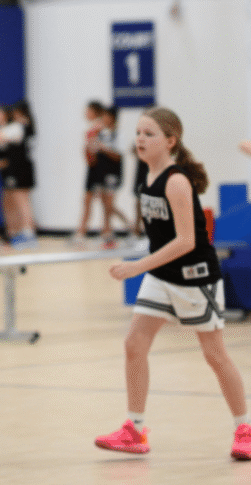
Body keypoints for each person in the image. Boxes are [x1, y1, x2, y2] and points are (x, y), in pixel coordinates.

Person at [97, 107, 250, 461]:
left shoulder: (176, 181)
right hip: (162, 277)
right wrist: (146, 268)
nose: (140, 139)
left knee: (214, 355)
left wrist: (137, 267)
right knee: (134, 344)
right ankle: (134, 428)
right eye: (138, 132)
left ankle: (244, 428)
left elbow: (186, 241)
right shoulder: (146, 178)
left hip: (195, 279)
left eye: (149, 134)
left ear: (170, 141)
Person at [74, 104, 129, 247]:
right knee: (102, 201)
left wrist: (103, 148)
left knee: (109, 203)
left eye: (105, 116)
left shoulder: (119, 134)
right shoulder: (99, 133)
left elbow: (118, 156)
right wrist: (89, 149)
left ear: (112, 118)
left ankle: (111, 232)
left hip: (113, 173)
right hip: (100, 172)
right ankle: (103, 232)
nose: (103, 118)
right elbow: (91, 154)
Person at [0, 101, 37, 249]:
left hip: (19, 170)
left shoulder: (18, 126)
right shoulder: (15, 127)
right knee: (8, 200)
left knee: (22, 200)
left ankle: (29, 234)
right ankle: (14, 233)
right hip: (12, 170)